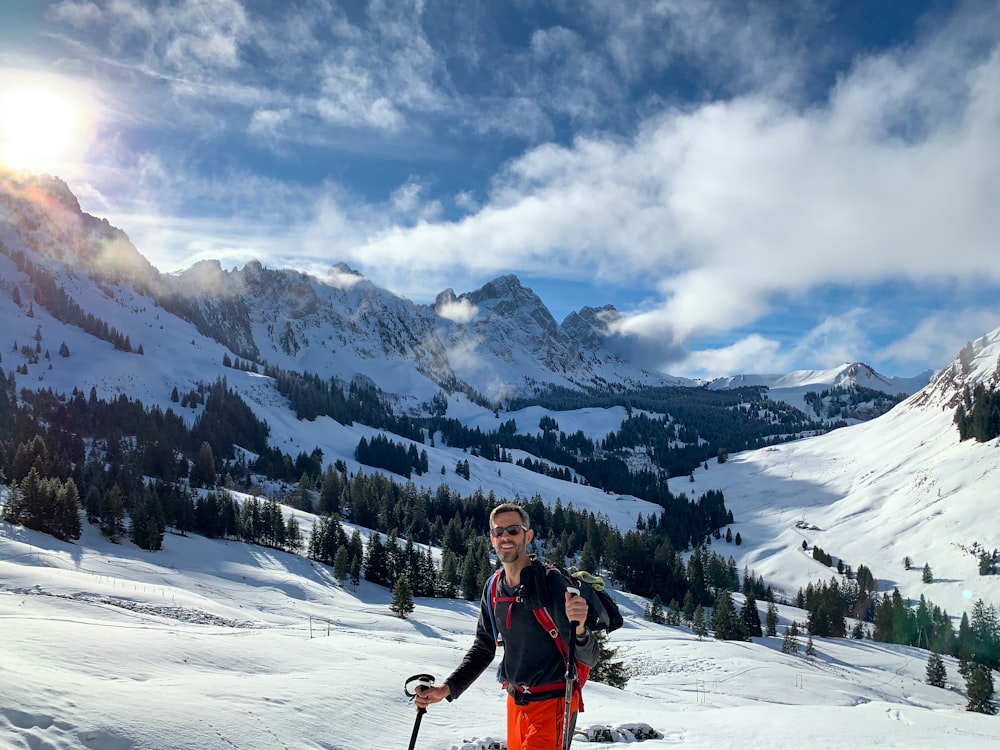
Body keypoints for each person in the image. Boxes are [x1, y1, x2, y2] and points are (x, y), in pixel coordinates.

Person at [414, 502, 598, 749]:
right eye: (498, 532)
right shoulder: (493, 586)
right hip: (515, 702)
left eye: (513, 530)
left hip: (554, 703)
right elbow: (483, 648)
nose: (505, 537)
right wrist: (446, 689)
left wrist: (580, 628)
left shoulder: (551, 583)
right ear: (491, 539)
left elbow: (589, 656)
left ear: (528, 535)